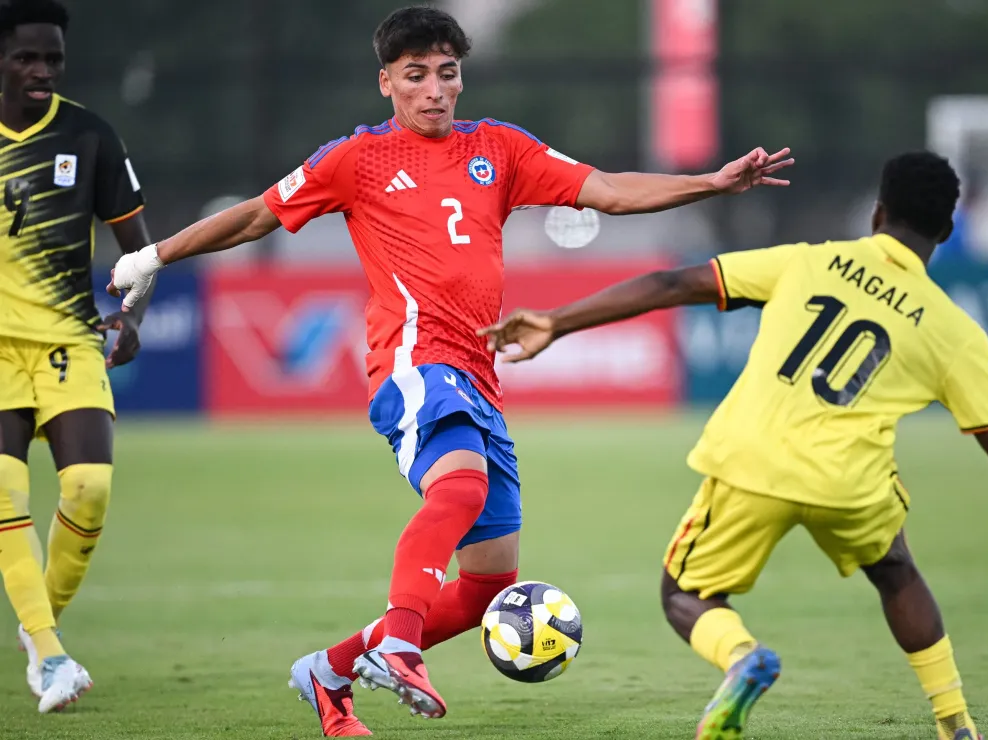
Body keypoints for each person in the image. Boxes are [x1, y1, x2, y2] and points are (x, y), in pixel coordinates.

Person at [108, 6, 792, 736]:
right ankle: (399, 645)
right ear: (386, 83)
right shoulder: (356, 159)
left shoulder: (500, 148)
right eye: (416, 76)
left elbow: (610, 190)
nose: (434, 90)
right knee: (459, 487)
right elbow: (257, 216)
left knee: (484, 587)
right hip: (413, 363)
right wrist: (153, 256)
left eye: (447, 73)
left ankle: (329, 672)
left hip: (478, 376)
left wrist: (711, 182)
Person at [479, 151, 988, 740]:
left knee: (684, 594)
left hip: (753, 462)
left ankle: (742, 659)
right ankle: (956, 722)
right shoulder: (955, 332)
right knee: (895, 569)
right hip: (851, 481)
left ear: (877, 214)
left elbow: (673, 285)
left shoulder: (810, 261)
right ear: (947, 230)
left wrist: (557, 321)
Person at [0, 0, 152, 714]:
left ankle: (40, 633)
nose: (42, 70)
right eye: (27, 57)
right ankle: (51, 652)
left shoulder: (89, 136)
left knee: (89, 488)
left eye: (53, 59)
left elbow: (139, 252)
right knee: (5, 494)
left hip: (67, 338)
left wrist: (133, 316)